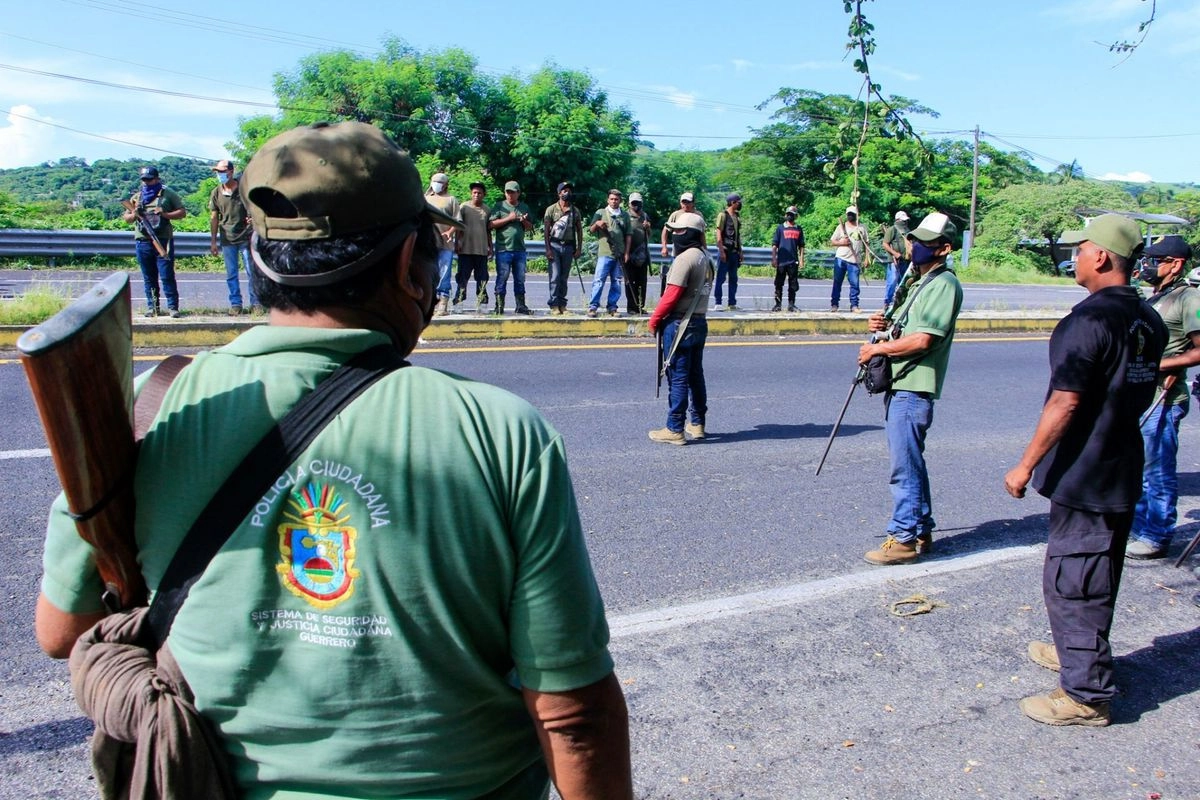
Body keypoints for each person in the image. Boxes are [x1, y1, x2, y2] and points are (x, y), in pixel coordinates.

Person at [35, 120, 633, 799]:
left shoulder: (151, 404)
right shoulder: (502, 432)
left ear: (257, 256)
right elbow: (572, 715)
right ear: (408, 265)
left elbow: (62, 630)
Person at [1004, 213, 1166, 727]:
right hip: (1121, 462)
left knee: (1074, 579)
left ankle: (1086, 694)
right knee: (1100, 570)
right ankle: (1074, 651)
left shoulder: (1088, 321)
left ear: (1100, 256)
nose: (1074, 257)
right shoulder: (1149, 319)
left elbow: (1065, 401)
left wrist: (1025, 465)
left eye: (1080, 250)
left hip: (1087, 469)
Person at [857, 212, 963, 565]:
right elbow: (904, 329)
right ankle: (921, 529)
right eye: (914, 239)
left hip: (914, 387)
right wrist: (882, 326)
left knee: (903, 467)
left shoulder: (943, 284)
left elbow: (923, 339)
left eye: (925, 242)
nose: (915, 246)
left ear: (944, 249)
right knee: (911, 461)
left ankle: (903, 538)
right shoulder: (919, 282)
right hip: (902, 382)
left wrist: (878, 350)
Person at [1126, 235, 1200, 559]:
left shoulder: (1189, 299)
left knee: (1156, 470)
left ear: (1175, 264)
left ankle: (1156, 535)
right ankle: (1139, 527)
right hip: (1139, 395)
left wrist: (1161, 365)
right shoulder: (1155, 297)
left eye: (1156, 260)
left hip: (1164, 398)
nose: (1149, 265)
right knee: (1137, 466)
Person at [647, 211, 712, 445]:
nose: (674, 236)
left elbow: (672, 294)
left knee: (678, 376)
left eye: (677, 232)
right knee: (695, 375)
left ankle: (675, 428)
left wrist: (654, 319)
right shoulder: (706, 258)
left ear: (688, 234)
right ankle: (697, 423)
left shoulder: (685, 259)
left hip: (680, 324)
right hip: (699, 322)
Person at [124, 165, 186, 318]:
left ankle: (173, 307)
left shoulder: (168, 194)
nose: (146, 182)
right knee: (149, 277)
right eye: (144, 179)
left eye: (149, 179)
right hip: (143, 241)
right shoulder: (137, 197)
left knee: (166, 275)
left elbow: (182, 212)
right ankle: (153, 307)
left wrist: (165, 214)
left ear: (157, 179)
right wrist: (134, 214)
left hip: (162, 240)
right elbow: (127, 218)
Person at [208, 159, 257, 316]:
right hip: (227, 238)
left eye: (222, 171)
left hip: (246, 237)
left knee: (251, 272)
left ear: (231, 171)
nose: (220, 175)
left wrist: (252, 218)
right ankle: (236, 304)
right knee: (231, 274)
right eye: (218, 172)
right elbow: (214, 218)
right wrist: (213, 241)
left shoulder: (244, 189)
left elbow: (254, 209)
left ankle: (256, 304)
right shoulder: (216, 192)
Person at [489, 180, 534, 315]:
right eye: (507, 192)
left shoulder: (524, 207)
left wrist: (523, 221)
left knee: (520, 278)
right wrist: (509, 218)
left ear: (518, 193)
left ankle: (521, 306)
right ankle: (499, 306)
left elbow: (530, 227)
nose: (510, 195)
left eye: (512, 192)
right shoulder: (499, 206)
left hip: (519, 249)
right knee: (502, 277)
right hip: (503, 249)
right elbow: (491, 224)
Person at [587, 189, 631, 317]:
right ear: (608, 200)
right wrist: (597, 223)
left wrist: (627, 252)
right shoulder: (601, 212)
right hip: (605, 253)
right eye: (611, 199)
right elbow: (591, 230)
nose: (614, 201)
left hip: (619, 253)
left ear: (620, 201)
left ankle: (612, 307)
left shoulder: (625, 215)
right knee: (599, 280)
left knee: (616, 281)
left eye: (616, 199)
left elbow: (628, 235)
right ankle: (593, 306)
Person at [543, 181, 584, 315]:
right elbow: (546, 230)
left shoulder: (575, 210)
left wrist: (578, 248)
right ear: (559, 193)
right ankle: (554, 305)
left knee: (564, 277)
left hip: (568, 246)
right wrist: (548, 249)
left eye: (569, 191)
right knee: (554, 276)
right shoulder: (551, 209)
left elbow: (579, 230)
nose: (567, 193)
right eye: (564, 190)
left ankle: (562, 304)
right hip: (554, 245)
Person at [425, 172, 460, 316]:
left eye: (440, 182)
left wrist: (450, 232)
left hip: (446, 243)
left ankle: (443, 302)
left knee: (444, 273)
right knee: (428, 273)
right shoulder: (426, 198)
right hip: (428, 243)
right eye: (435, 181)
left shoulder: (451, 200)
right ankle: (430, 302)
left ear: (446, 185)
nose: (436, 184)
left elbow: (457, 220)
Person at [453, 181, 492, 313]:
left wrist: (490, 247)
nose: (476, 195)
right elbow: (458, 226)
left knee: (482, 278)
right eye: (474, 192)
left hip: (481, 250)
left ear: (484, 194)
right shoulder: (464, 207)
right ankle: (458, 302)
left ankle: (482, 303)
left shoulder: (487, 210)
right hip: (465, 249)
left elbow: (488, 230)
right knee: (462, 278)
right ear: (471, 193)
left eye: (479, 193)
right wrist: (457, 243)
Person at [659, 192, 700, 294]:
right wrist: (664, 247)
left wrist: (704, 249)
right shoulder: (676, 215)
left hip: (694, 252)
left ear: (693, 203)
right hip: (678, 252)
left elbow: (701, 234)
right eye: (683, 202)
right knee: (675, 279)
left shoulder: (698, 215)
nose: (685, 205)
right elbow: (665, 231)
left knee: (693, 279)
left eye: (688, 202)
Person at [830, 205, 865, 313]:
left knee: (855, 284)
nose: (850, 216)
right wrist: (842, 243)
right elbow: (832, 241)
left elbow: (866, 243)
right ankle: (834, 304)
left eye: (852, 214)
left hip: (854, 260)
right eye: (848, 214)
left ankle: (854, 305)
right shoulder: (841, 227)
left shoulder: (862, 228)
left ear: (856, 215)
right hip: (841, 258)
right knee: (837, 282)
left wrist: (867, 258)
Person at [770, 206, 805, 312]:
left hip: (793, 261)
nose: (790, 216)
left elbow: (801, 246)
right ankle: (778, 304)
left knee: (793, 284)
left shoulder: (798, 229)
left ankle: (791, 305)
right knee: (779, 283)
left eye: (792, 214)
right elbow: (774, 245)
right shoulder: (780, 228)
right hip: (781, 261)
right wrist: (774, 258)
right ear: (786, 215)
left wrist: (801, 259)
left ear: (796, 216)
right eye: (788, 214)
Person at [714, 193, 743, 311]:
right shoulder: (723, 215)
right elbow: (718, 234)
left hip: (734, 253)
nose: (739, 204)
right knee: (720, 278)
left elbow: (738, 236)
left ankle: (732, 303)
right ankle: (718, 302)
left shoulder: (737, 217)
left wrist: (740, 251)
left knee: (733, 279)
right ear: (732, 202)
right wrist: (721, 251)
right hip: (725, 251)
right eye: (738, 202)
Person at [624, 192, 652, 314]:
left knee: (642, 281)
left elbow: (649, 235)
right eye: (634, 203)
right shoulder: (625, 215)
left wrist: (648, 227)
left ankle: (640, 306)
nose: (636, 205)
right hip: (629, 252)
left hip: (642, 253)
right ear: (629, 204)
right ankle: (631, 307)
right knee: (630, 281)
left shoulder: (645, 216)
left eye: (638, 203)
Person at [881, 211, 911, 309]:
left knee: (903, 282)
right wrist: (895, 253)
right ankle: (887, 302)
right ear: (898, 220)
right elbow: (885, 244)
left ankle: (901, 302)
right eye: (903, 221)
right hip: (894, 261)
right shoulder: (892, 229)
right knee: (892, 281)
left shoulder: (907, 231)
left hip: (905, 260)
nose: (905, 222)